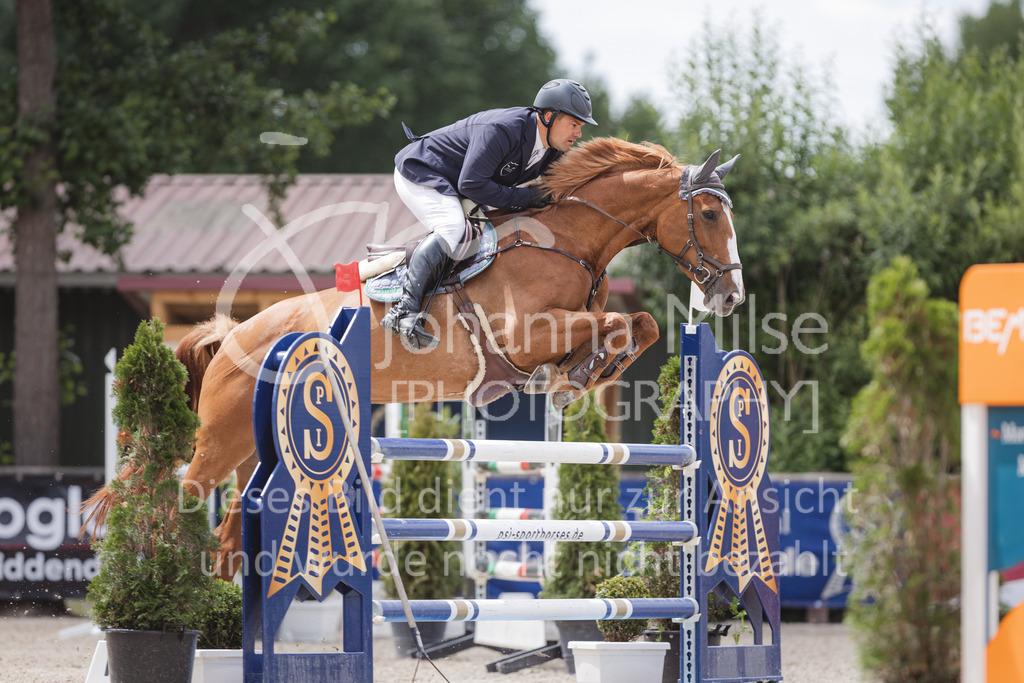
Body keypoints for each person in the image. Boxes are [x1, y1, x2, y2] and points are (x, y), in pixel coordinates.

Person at [381, 78, 598, 350]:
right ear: (548, 116)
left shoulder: (551, 151)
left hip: (460, 184)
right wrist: (526, 197)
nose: (578, 133)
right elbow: (472, 184)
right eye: (574, 124)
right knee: (452, 228)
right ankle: (403, 310)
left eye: (580, 126)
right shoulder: (503, 129)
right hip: (423, 171)